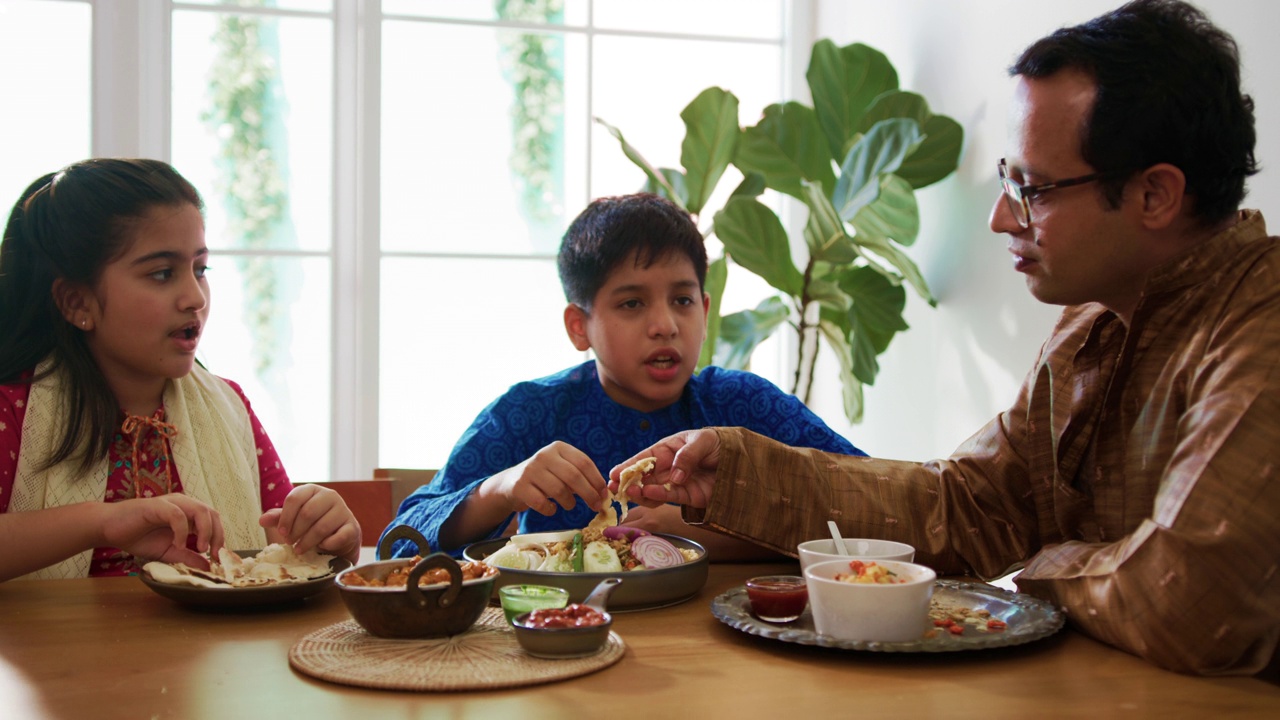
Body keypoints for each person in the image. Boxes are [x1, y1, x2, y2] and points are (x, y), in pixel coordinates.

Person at [611, 0, 1279, 676]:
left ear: (1155, 195)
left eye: (1033, 189)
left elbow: (1188, 600)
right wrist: (741, 470)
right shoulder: (1092, 325)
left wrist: (1047, 566)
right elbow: (968, 508)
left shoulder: (1262, 323)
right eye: (1006, 181)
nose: (998, 217)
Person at [387, 193, 865, 559]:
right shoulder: (529, 412)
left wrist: (710, 533)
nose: (665, 325)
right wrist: (501, 489)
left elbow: (875, 503)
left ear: (704, 309)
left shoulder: (743, 406)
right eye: (632, 303)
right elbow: (400, 544)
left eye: (681, 300)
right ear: (580, 326)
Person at [0, 158, 361, 582]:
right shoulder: (14, 411)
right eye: (161, 273)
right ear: (77, 303)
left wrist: (334, 538)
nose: (195, 297)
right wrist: (101, 522)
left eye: (200, 269)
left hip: (217, 649)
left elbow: (288, 551)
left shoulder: (229, 406)